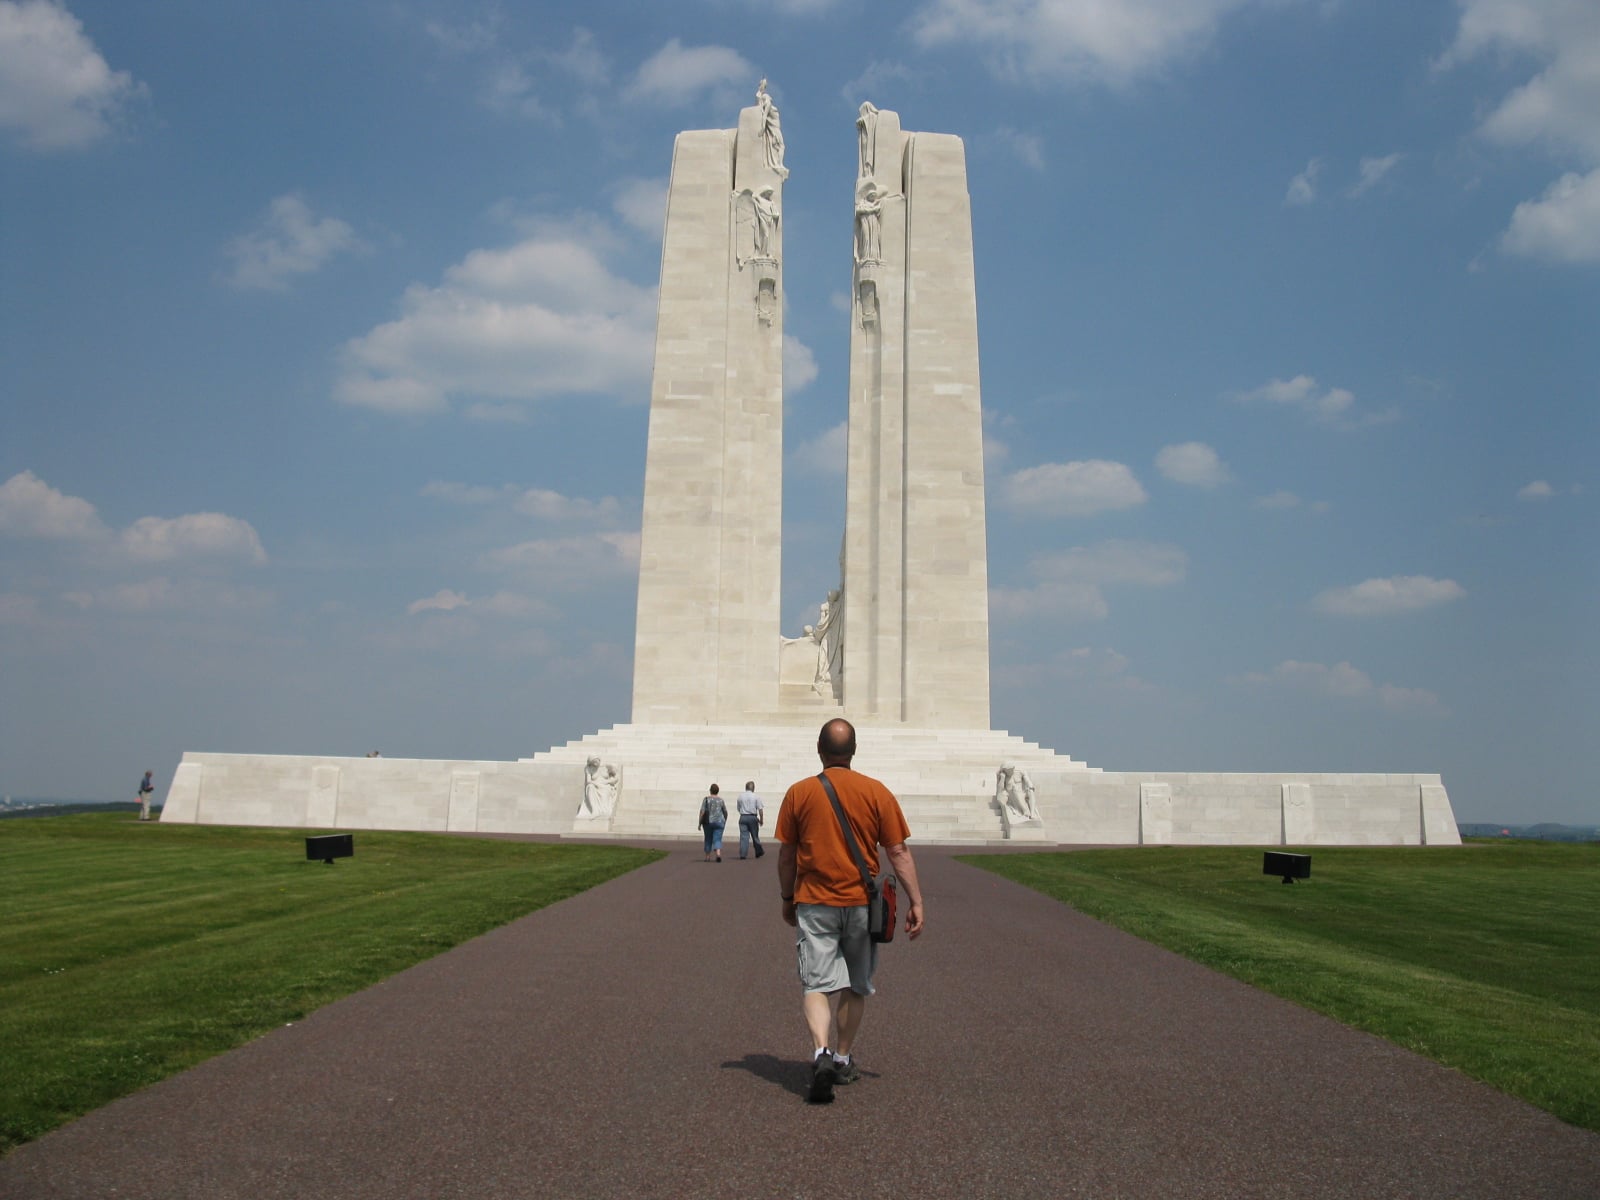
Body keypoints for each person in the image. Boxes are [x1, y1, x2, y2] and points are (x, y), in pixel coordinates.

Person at [776, 719, 924, 1103]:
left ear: (819, 751)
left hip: (814, 900)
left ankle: (820, 1051)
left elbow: (787, 853)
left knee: (815, 985)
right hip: (861, 903)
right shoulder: (876, 792)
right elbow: (898, 852)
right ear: (853, 751)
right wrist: (916, 901)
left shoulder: (799, 792)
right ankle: (842, 1058)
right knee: (856, 985)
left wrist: (786, 898)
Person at [736, 780, 765, 860]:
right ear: (753, 788)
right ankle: (758, 851)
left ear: (746, 788)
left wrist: (743, 813)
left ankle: (743, 854)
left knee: (744, 837)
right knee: (755, 835)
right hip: (753, 817)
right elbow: (760, 809)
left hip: (743, 816)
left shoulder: (740, 796)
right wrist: (761, 819)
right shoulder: (756, 796)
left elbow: (738, 808)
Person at [698, 784, 727, 862]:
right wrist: (725, 820)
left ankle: (707, 856)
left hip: (708, 822)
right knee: (718, 838)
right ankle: (718, 853)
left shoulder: (706, 799)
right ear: (718, 791)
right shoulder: (721, 800)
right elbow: (725, 811)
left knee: (708, 838)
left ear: (710, 790)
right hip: (719, 821)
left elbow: (702, 812)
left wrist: (700, 823)